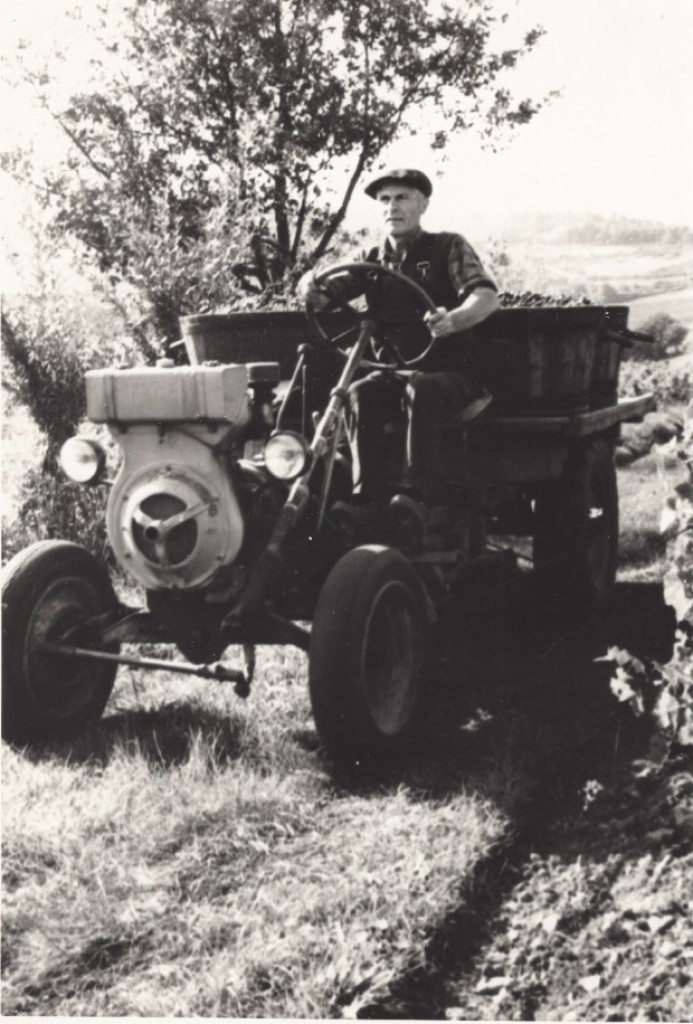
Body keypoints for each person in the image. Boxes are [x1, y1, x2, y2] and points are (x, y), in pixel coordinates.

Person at [297, 168, 499, 544]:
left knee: (422, 389)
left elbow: (485, 296)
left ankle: (414, 498)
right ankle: (366, 500)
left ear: (423, 204)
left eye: (403, 198)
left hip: (452, 373)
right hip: (393, 372)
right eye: (385, 200)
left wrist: (454, 319)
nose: (393, 207)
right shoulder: (370, 259)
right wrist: (309, 285)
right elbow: (323, 295)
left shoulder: (448, 247)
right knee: (359, 392)